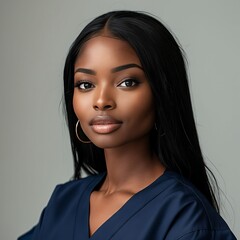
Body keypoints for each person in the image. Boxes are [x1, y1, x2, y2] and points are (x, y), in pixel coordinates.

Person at [18, 10, 236, 239]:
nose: (101, 101)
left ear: (162, 93)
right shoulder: (63, 203)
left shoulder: (186, 218)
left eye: (127, 82)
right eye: (85, 85)